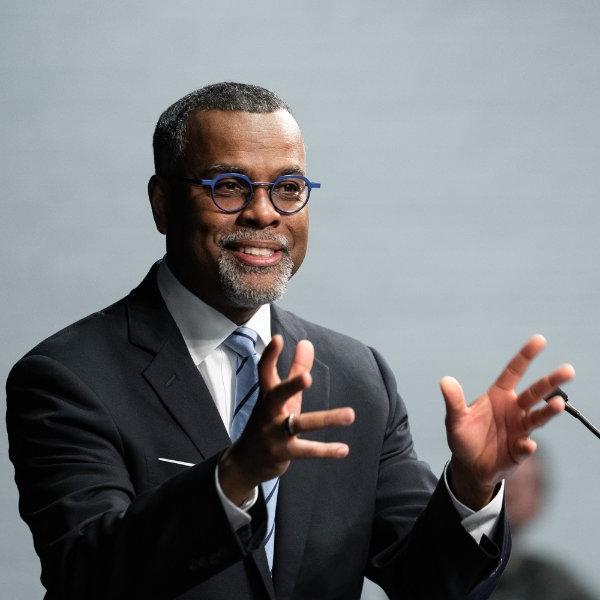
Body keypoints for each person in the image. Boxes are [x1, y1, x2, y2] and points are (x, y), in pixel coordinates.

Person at [6, 82, 575, 600]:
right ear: (161, 202)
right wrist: (234, 477)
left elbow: (425, 583)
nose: (262, 213)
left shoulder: (356, 375)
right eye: (228, 187)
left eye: (288, 188)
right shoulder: (68, 376)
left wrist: (472, 489)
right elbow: (84, 575)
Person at [490, 454, 596, 600]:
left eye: (523, 484)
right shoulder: (452, 567)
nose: (510, 492)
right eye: (501, 480)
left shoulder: (554, 585)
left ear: (537, 502)